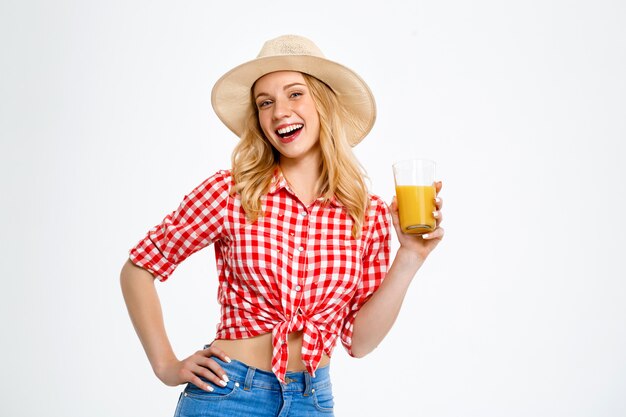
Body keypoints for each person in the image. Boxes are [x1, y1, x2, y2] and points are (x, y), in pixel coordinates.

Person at [120, 34, 444, 417]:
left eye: (295, 94)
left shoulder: (366, 212)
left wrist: (409, 257)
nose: (279, 113)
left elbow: (359, 340)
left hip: (313, 400)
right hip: (229, 396)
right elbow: (139, 268)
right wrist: (166, 365)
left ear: (323, 103)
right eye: (265, 103)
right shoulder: (231, 192)